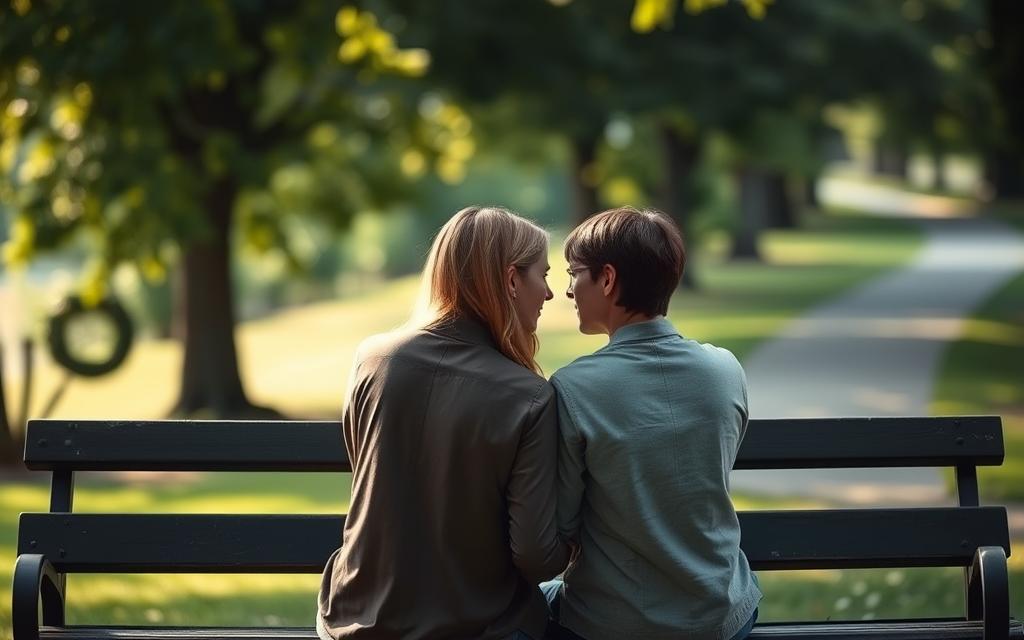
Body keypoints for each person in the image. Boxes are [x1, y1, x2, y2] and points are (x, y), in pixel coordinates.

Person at [317, 206, 569, 640]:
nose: (548, 293)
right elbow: (536, 556)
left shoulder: (374, 359)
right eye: (542, 276)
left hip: (354, 621)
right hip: (477, 627)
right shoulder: (528, 396)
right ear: (511, 280)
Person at [545, 207, 761, 640]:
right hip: (722, 615)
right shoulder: (725, 369)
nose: (568, 290)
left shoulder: (574, 388)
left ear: (607, 279)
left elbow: (561, 525)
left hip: (615, 623)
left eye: (573, 273)